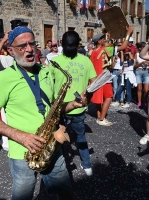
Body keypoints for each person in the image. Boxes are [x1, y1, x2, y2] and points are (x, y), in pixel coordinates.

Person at [0, 26, 85, 200]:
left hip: (52, 145)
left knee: (66, 194)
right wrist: (22, 137)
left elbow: (55, 108)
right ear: (10, 50)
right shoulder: (4, 77)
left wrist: (73, 105)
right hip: (23, 152)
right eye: (22, 46)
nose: (29, 49)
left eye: (32, 44)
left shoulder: (46, 71)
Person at [51, 31, 97, 176]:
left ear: (61, 43)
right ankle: (86, 164)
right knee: (79, 137)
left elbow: (49, 85)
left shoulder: (54, 61)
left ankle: (66, 163)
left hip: (65, 108)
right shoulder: (85, 60)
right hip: (70, 107)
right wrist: (88, 96)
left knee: (61, 137)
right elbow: (94, 82)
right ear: (79, 44)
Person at [90, 26, 134, 126]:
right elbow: (123, 47)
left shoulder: (92, 52)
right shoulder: (106, 49)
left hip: (95, 78)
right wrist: (128, 35)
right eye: (102, 39)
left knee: (99, 99)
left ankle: (99, 116)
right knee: (109, 97)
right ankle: (101, 119)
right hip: (104, 78)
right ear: (99, 42)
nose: (104, 40)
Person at [134, 42, 149, 108]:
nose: (145, 48)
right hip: (138, 71)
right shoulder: (137, 54)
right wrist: (141, 63)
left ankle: (144, 101)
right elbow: (135, 66)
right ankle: (139, 102)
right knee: (139, 88)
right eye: (144, 47)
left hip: (147, 71)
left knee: (146, 89)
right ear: (140, 48)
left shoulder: (148, 53)